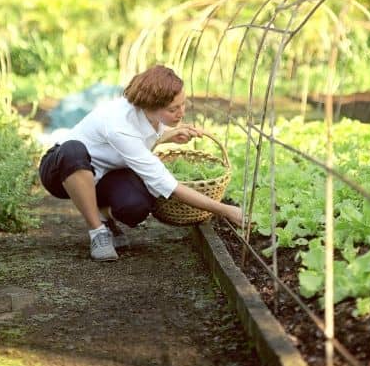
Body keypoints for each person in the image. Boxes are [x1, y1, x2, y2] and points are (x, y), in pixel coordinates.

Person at [38, 65, 243, 261]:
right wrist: (225, 210)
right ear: (149, 107)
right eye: (173, 109)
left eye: (183, 104)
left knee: (136, 206)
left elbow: (139, 138)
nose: (181, 113)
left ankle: (102, 214)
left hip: (102, 176)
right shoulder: (119, 123)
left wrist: (167, 135)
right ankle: (97, 231)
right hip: (61, 171)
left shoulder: (149, 115)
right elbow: (170, 186)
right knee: (73, 150)